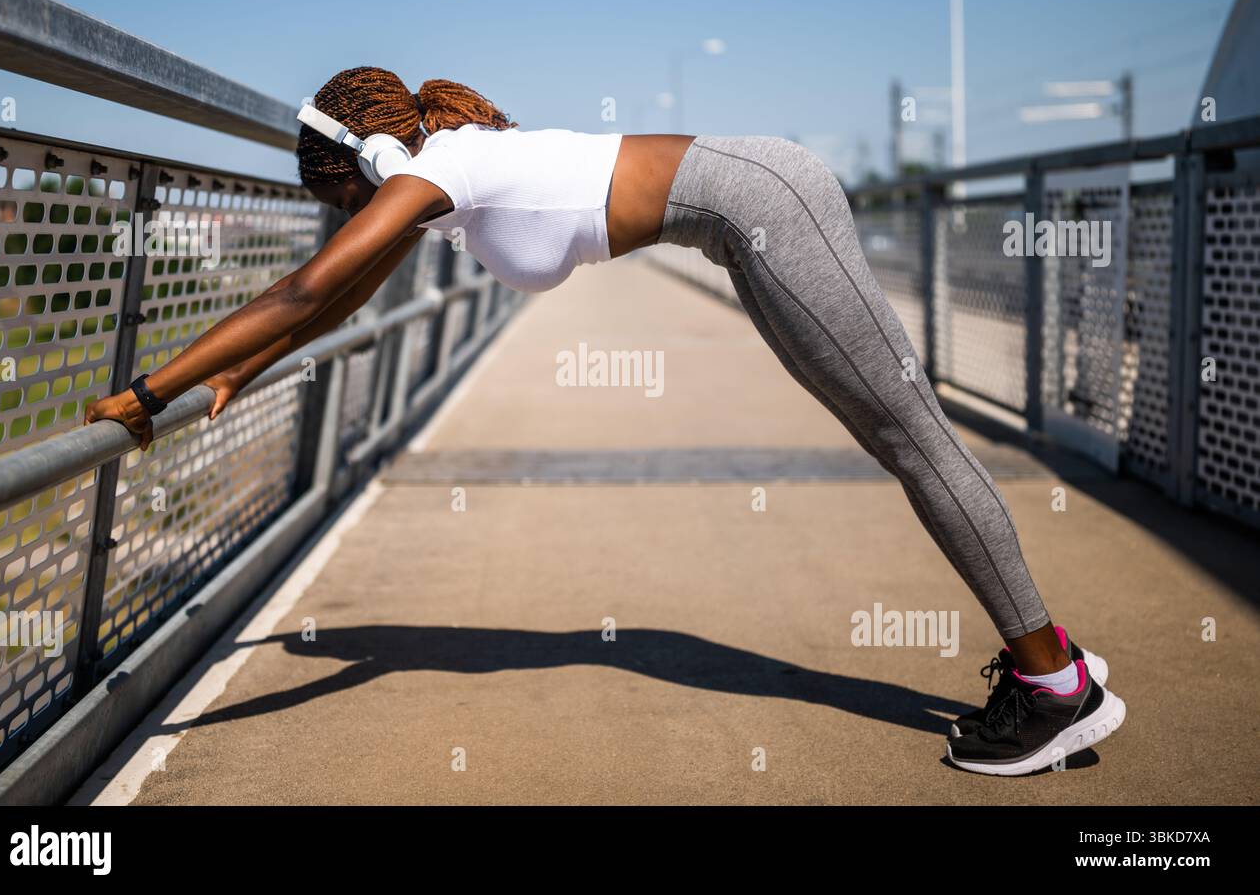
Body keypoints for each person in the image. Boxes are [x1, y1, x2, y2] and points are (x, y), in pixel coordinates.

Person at [85, 66, 1125, 775]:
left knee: (910, 440)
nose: (355, 213)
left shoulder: (440, 166)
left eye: (346, 193)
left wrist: (149, 392)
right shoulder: (449, 168)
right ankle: (1053, 653)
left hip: (763, 203)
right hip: (747, 212)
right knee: (901, 439)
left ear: (365, 163)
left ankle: (1054, 685)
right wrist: (244, 369)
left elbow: (311, 284)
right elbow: (343, 293)